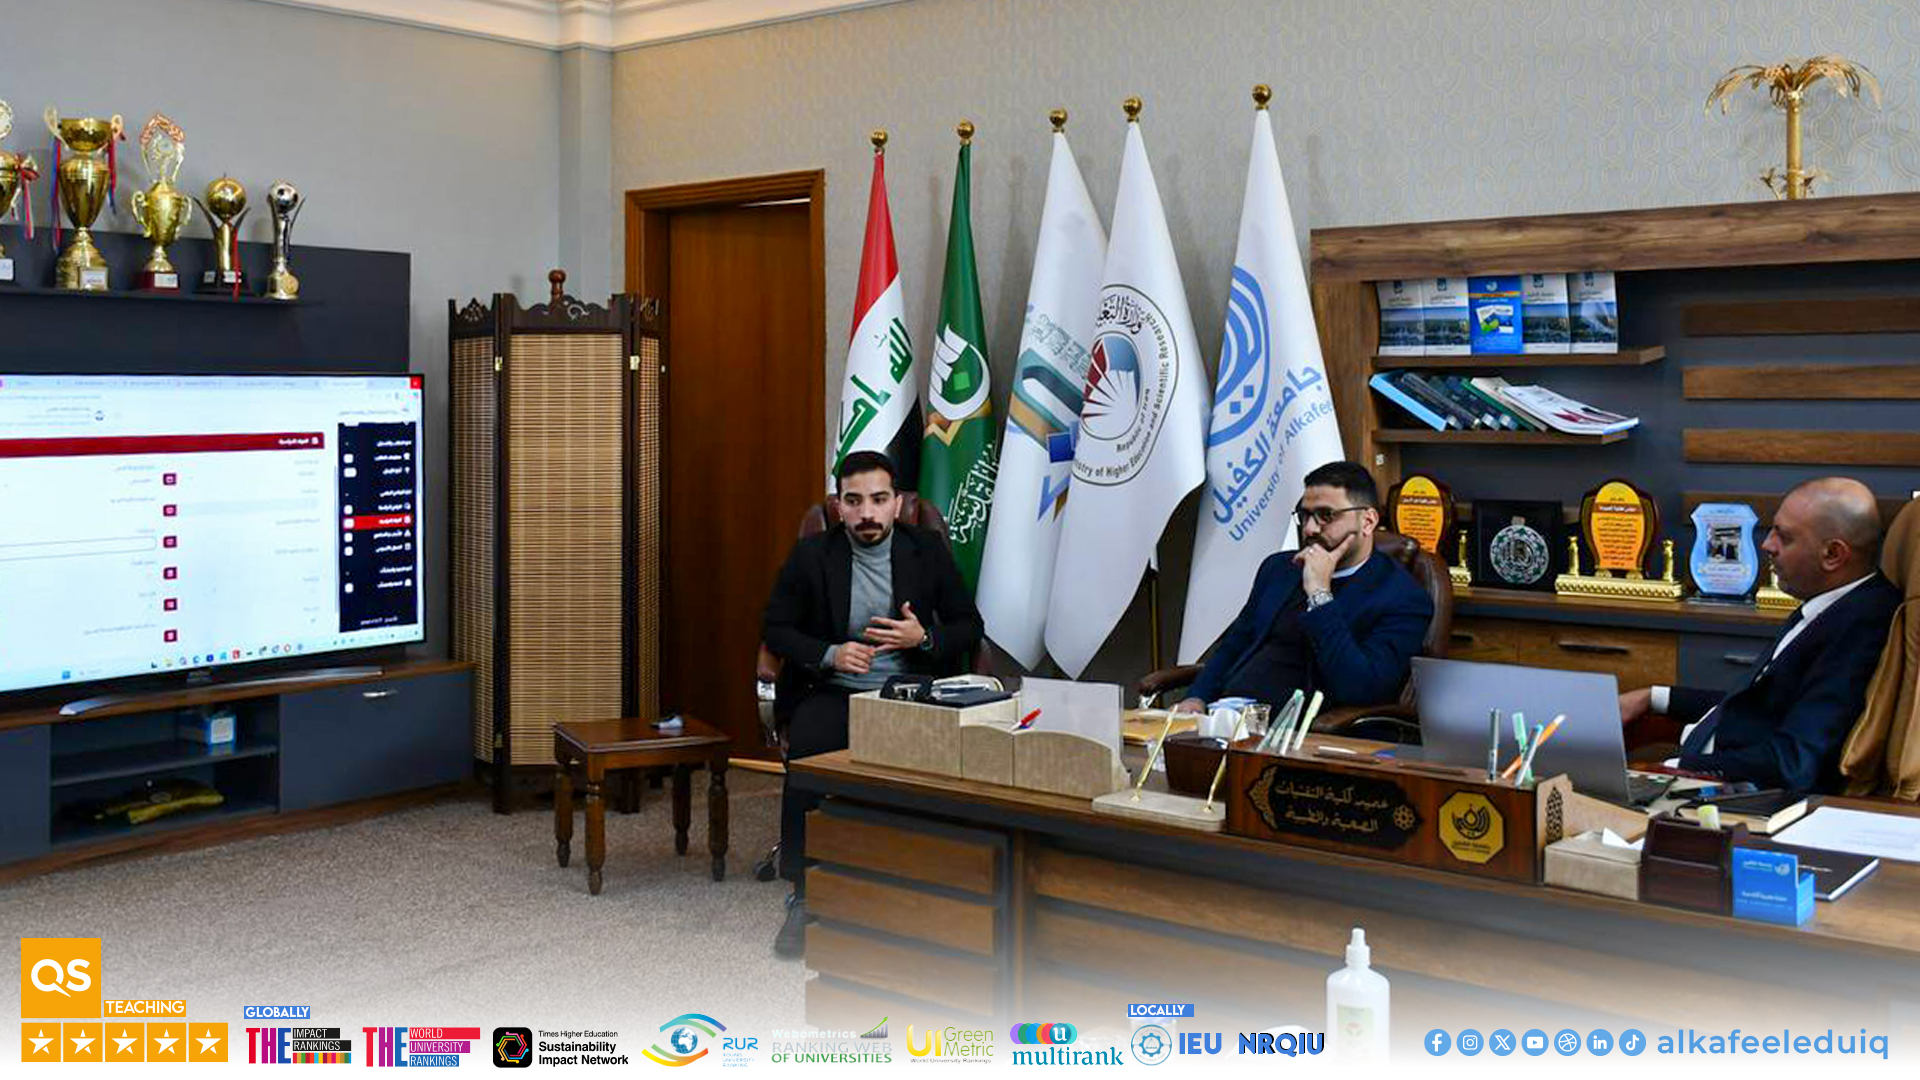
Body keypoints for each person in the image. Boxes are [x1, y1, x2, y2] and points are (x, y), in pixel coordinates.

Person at [760, 450, 983, 958]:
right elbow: (775, 628)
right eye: (854, 501)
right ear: (839, 506)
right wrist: (830, 653)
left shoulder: (925, 550)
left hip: (910, 693)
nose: (867, 513)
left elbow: (970, 626)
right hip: (833, 690)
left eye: (879, 500)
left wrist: (923, 638)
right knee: (808, 761)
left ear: (897, 504)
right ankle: (804, 891)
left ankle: (929, 886)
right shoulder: (812, 555)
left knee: (938, 777)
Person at [1620, 477, 1900, 794]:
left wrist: (1668, 771)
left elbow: (1793, 762)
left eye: (1784, 537)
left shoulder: (1861, 626)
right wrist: (1653, 697)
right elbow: (1757, 702)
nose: (1767, 545)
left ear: (1833, 554)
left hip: (1734, 792)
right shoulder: (1833, 603)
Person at [1175, 460, 1433, 715]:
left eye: (1326, 515)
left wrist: (1320, 595)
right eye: (1305, 515)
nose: (1310, 529)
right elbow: (1235, 645)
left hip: (1299, 730)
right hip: (1225, 716)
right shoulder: (1280, 568)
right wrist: (1197, 697)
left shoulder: (1402, 598)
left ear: (1367, 521)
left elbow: (1361, 688)